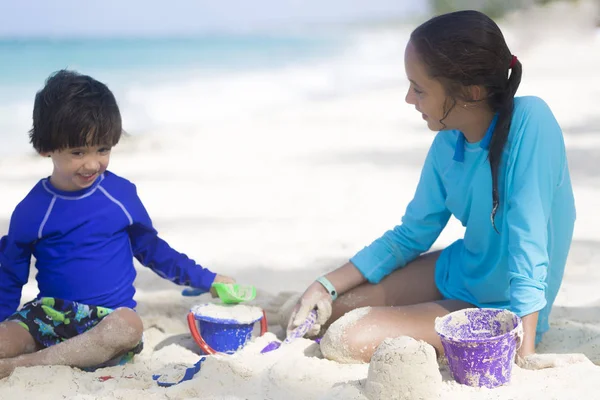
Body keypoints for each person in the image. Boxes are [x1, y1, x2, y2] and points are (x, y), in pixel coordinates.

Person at [287, 10, 576, 364]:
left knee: (347, 338)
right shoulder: (447, 143)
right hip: (462, 268)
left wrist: (524, 347)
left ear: (471, 90)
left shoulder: (531, 122)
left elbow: (528, 242)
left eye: (419, 89)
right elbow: (410, 235)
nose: (409, 99)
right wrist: (325, 285)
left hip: (503, 305)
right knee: (329, 311)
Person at [0, 69, 235, 378]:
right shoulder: (32, 210)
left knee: (130, 327)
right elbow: (8, 275)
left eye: (103, 149)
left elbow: (153, 251)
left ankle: (22, 367)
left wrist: (209, 279)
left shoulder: (120, 196)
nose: (93, 163)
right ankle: (31, 355)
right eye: (78, 152)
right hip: (50, 315)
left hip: (107, 322)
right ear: (45, 148)